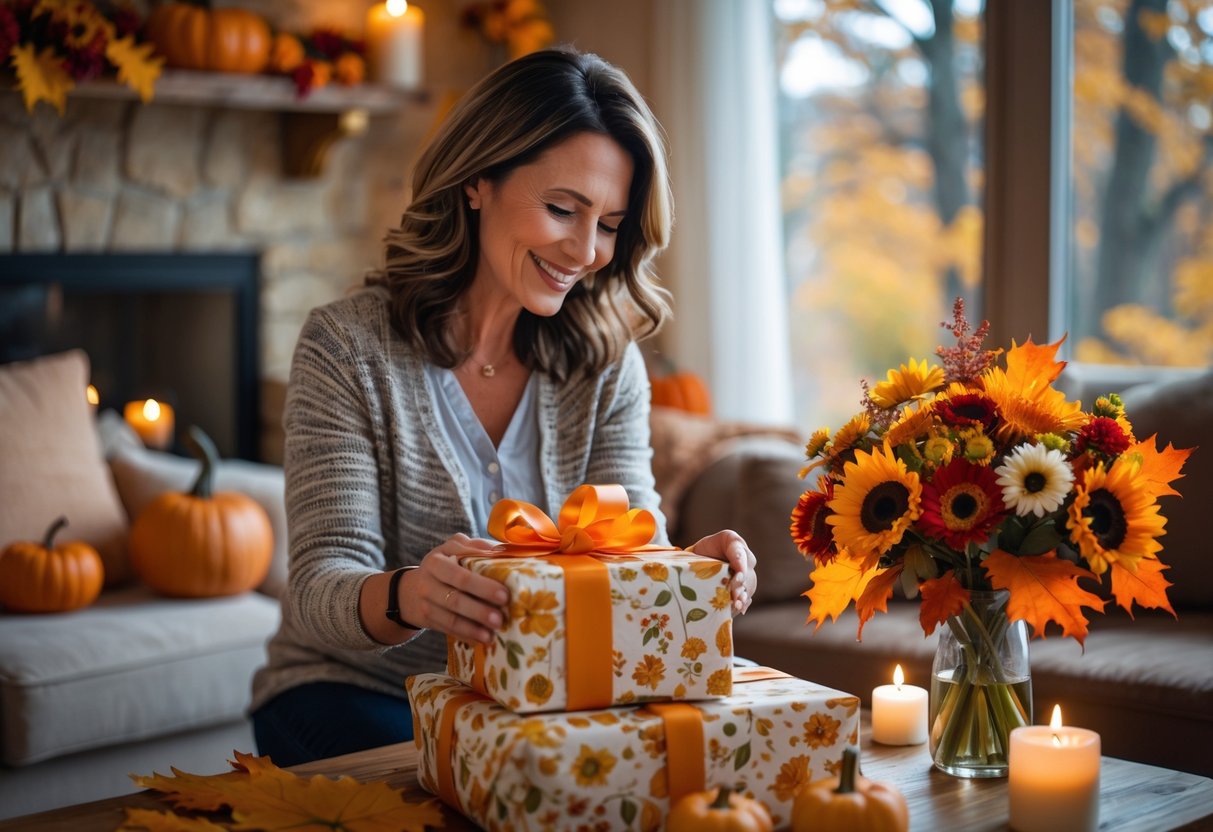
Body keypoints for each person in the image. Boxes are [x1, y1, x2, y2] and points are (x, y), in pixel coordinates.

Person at [249, 46, 759, 767]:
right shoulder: (347, 347)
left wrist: (682, 569)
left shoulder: (606, 364)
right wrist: (411, 596)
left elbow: (626, 549)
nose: (586, 251)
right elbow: (320, 585)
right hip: (351, 691)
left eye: (610, 224)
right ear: (477, 182)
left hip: (528, 700)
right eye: (561, 209)